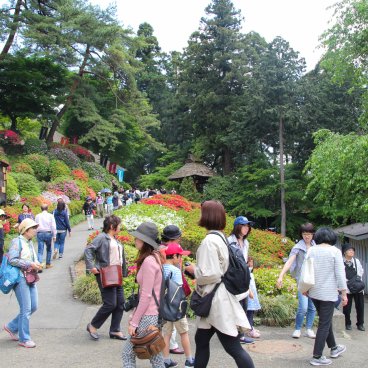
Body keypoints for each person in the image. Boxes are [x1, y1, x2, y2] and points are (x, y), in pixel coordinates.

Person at [185, 201, 255, 368]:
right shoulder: (221, 237)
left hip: (215, 300)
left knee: (233, 347)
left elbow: (211, 273)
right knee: (201, 341)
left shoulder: (210, 241)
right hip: (216, 298)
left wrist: (193, 270)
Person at [122, 222, 165, 368]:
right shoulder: (155, 257)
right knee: (155, 356)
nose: (135, 240)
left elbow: (146, 296)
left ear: (145, 241)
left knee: (128, 354)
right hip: (154, 315)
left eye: (138, 238)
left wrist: (134, 321)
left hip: (147, 316)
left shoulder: (148, 262)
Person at [307, 227, 348, 366]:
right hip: (328, 293)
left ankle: (334, 348)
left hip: (313, 292)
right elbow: (340, 274)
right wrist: (344, 293)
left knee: (326, 321)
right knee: (324, 324)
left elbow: (305, 270)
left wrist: (304, 289)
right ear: (331, 237)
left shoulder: (311, 250)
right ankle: (317, 356)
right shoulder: (335, 251)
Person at [85, 215, 127, 341]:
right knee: (110, 303)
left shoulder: (114, 239)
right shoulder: (102, 238)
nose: (120, 227)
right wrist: (91, 266)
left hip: (116, 273)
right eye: (118, 225)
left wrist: (124, 272)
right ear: (112, 226)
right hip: (106, 273)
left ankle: (115, 330)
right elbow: (89, 250)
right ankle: (92, 326)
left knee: (120, 303)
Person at [3, 218, 43, 348]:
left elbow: (31, 257)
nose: (35, 230)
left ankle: (11, 326)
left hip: (30, 276)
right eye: (33, 228)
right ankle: (24, 338)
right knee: (26, 309)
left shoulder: (29, 242)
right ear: (26, 230)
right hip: (20, 278)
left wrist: (36, 263)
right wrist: (29, 264)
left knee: (34, 306)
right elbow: (13, 260)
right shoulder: (17, 241)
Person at [276, 223, 317, 339]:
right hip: (302, 281)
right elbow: (289, 261)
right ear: (301, 235)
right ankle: (298, 329)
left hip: (314, 280)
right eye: (304, 234)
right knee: (303, 307)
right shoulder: (298, 247)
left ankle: (309, 329)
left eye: (309, 234)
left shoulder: (316, 247)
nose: (307, 236)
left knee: (312, 307)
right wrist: (281, 275)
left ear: (313, 234)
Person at [162, 242, 195, 368]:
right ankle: (189, 360)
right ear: (174, 256)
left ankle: (166, 360)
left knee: (167, 334)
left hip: (165, 307)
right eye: (179, 256)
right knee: (184, 333)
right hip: (176, 308)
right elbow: (179, 290)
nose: (181, 259)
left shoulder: (162, 267)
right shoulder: (175, 271)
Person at [227, 216, 255, 344]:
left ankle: (240, 335)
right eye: (244, 226)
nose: (246, 228)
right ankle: (233, 335)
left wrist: (248, 266)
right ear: (237, 227)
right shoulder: (230, 241)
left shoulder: (246, 243)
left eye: (247, 226)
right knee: (234, 306)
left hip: (243, 277)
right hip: (233, 278)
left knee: (244, 305)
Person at [162, 225, 185, 356]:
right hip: (171, 287)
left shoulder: (161, 248)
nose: (179, 239)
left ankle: (170, 344)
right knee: (172, 316)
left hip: (168, 286)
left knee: (167, 319)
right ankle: (172, 345)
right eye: (178, 237)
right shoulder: (163, 250)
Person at [341, 243, 365, 331]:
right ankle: (347, 323)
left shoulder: (356, 261)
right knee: (347, 307)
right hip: (347, 289)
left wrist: (354, 281)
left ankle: (360, 324)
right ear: (344, 252)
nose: (352, 252)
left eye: (352, 250)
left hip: (357, 288)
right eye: (349, 250)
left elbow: (360, 271)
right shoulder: (340, 262)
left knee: (360, 307)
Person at [35, 204, 57, 269]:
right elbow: (53, 226)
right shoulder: (50, 216)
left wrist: (36, 233)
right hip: (48, 233)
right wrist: (54, 235)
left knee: (40, 250)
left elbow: (35, 225)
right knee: (49, 249)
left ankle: (39, 265)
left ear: (41, 209)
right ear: (47, 209)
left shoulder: (37, 216)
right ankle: (48, 264)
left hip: (40, 233)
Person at [246, 257, 261, 338]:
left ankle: (250, 328)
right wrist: (250, 292)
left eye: (252, 262)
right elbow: (246, 283)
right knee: (249, 313)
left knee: (250, 313)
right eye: (249, 262)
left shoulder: (251, 273)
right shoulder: (246, 272)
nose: (251, 264)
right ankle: (250, 330)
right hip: (249, 296)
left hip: (252, 297)